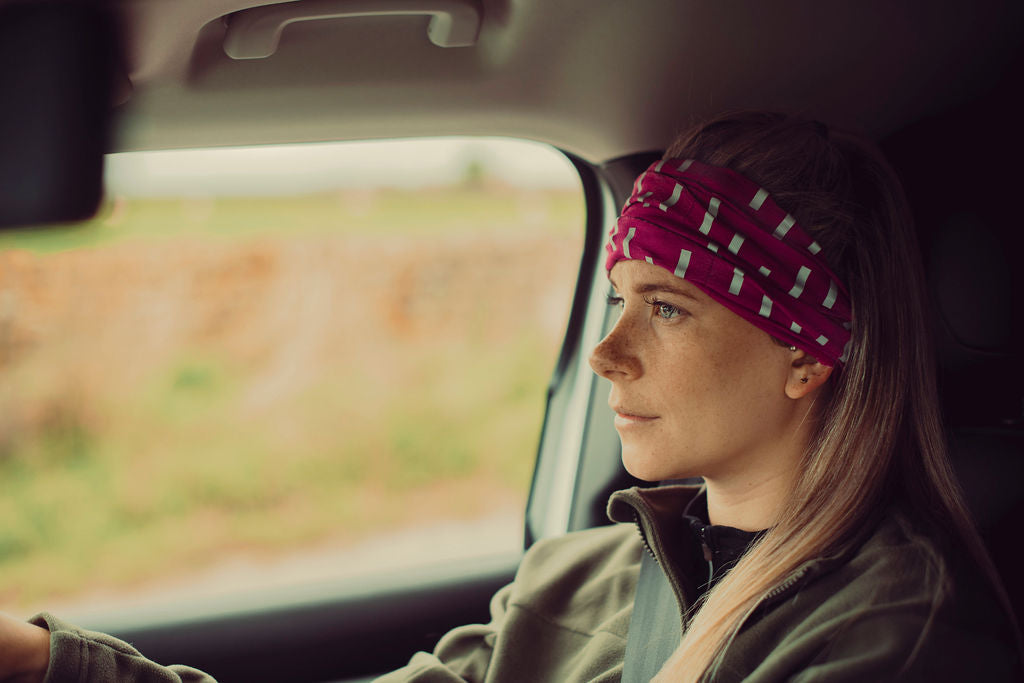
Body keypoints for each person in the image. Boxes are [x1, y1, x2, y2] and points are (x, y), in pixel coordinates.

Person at [1, 111, 1020, 682]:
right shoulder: (585, 577)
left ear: (805, 352)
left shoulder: (901, 636)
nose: (605, 353)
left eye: (665, 310)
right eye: (618, 300)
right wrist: (48, 663)